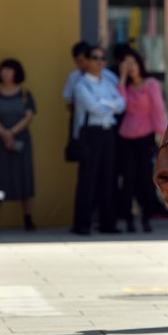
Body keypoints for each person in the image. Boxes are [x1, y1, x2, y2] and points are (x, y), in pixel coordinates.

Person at [71, 46, 126, 235]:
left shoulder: (108, 82)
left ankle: (107, 222)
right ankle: (82, 223)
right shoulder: (81, 84)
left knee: (108, 178)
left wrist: (106, 103)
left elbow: (121, 104)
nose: (99, 62)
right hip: (90, 134)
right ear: (86, 61)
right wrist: (108, 104)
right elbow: (94, 108)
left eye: (102, 58)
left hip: (108, 133)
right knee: (88, 179)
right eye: (94, 58)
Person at [116, 46, 167, 232]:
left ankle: (146, 217)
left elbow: (158, 111)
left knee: (145, 179)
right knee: (128, 179)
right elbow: (120, 105)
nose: (130, 66)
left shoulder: (150, 84)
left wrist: (161, 136)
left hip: (145, 137)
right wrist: (122, 78)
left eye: (132, 62)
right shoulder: (125, 87)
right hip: (125, 137)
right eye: (126, 64)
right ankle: (128, 218)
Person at [0, 58, 37, 231]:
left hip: (21, 141)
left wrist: (12, 133)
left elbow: (29, 116)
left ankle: (28, 218)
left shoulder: (24, 93)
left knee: (24, 176)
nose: (5, 73)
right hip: (0, 143)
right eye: (3, 70)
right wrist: (4, 133)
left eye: (9, 70)